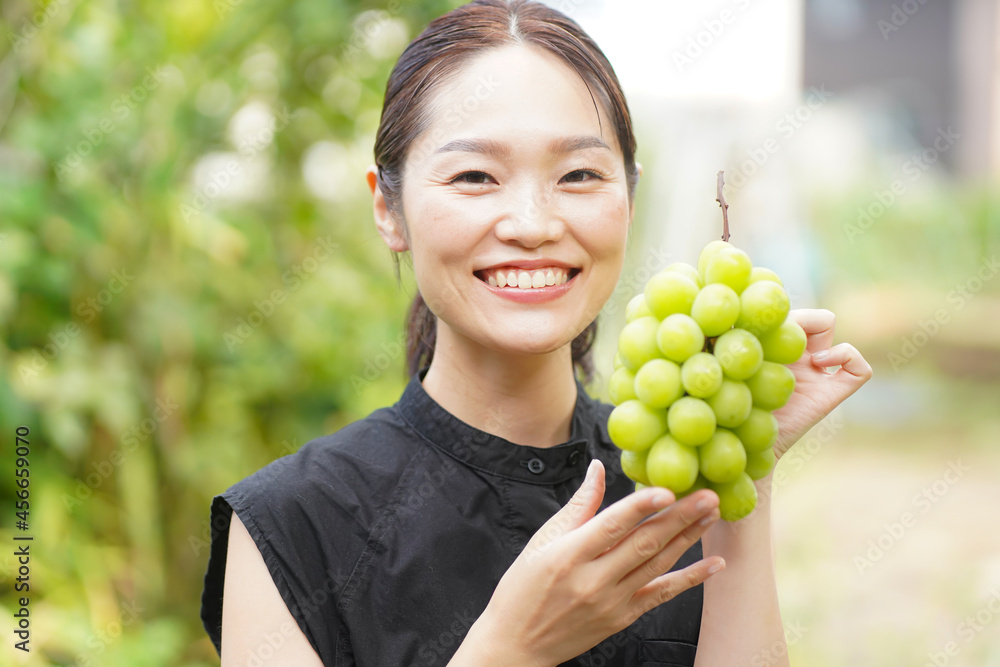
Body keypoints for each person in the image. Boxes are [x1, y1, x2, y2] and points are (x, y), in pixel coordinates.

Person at [199, 1, 873, 664]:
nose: (533, 223)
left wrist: (742, 466)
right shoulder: (289, 526)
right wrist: (510, 649)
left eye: (578, 175)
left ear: (629, 197)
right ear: (388, 207)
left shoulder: (675, 477)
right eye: (475, 176)